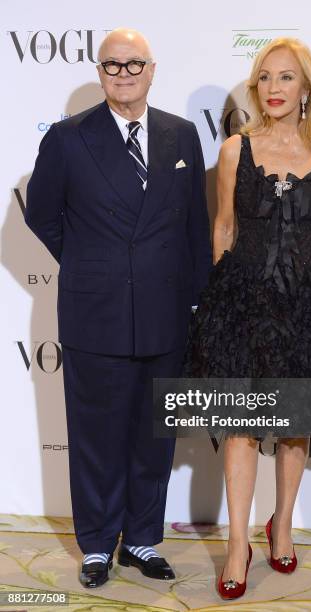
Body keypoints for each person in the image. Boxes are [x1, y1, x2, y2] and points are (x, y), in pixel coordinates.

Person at [183, 37, 311, 600]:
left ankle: (282, 523)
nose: (273, 89)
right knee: (242, 423)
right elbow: (224, 228)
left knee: (294, 421)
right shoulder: (234, 151)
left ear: (306, 88)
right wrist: (222, 302)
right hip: (243, 300)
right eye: (264, 77)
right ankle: (239, 544)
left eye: (286, 78)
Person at [25, 28, 211, 588]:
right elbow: (41, 214)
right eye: (112, 64)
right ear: (100, 71)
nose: (124, 73)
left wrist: (196, 300)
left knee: (154, 435)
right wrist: (89, 263)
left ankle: (145, 539)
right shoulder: (67, 137)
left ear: (152, 71)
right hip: (95, 312)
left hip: (166, 312)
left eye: (134, 65)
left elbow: (195, 230)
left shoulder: (181, 136)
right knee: (95, 435)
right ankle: (99, 545)